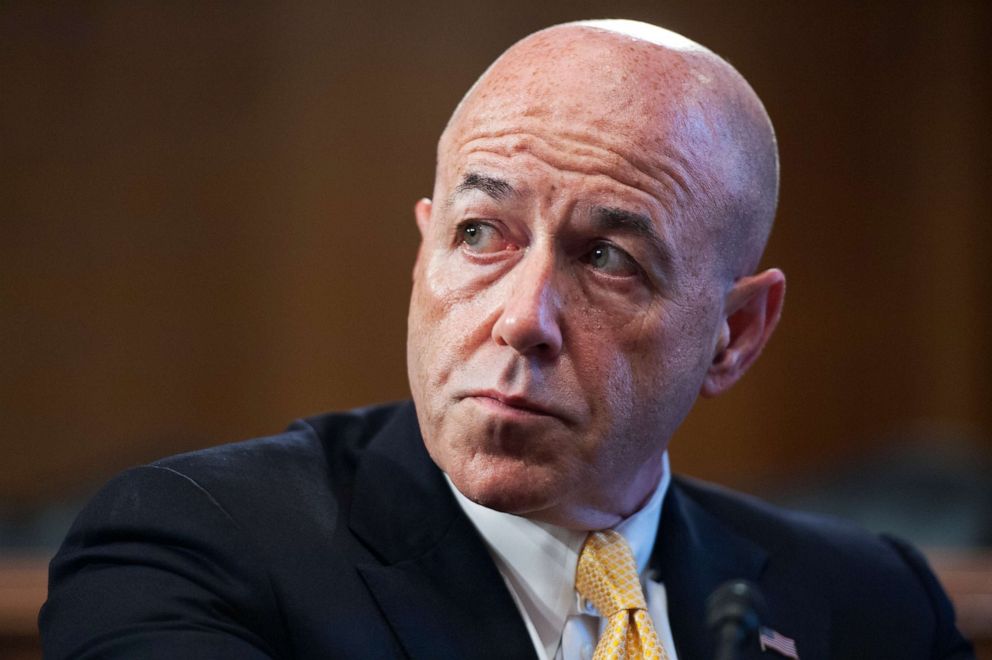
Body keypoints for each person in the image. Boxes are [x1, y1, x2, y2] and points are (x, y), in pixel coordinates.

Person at [40, 19, 973, 660]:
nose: (521, 318)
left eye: (607, 257)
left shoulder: (872, 607)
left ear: (732, 334)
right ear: (423, 255)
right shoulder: (191, 545)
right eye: (480, 235)